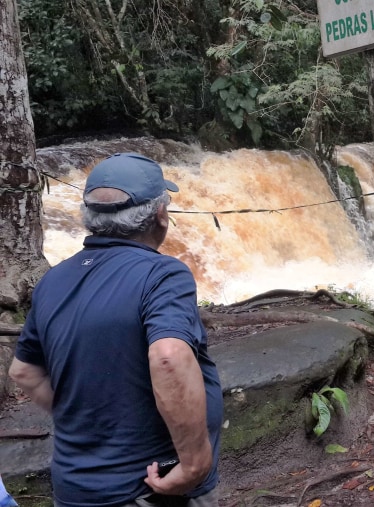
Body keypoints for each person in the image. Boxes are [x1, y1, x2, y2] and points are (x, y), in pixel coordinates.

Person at [8, 153, 223, 507]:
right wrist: (195, 463)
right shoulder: (163, 275)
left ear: (90, 218)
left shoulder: (52, 281)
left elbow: (24, 372)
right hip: (148, 491)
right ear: (160, 216)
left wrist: (90, 421)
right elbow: (169, 357)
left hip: (75, 491)